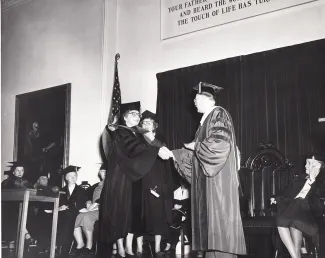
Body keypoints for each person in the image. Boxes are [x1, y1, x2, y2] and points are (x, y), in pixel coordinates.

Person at [170, 82, 246, 258]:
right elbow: (196, 157)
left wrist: (195, 146)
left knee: (220, 230)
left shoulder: (218, 114)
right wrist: (175, 155)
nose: (194, 103)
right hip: (210, 183)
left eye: (196, 99)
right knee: (213, 233)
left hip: (219, 183)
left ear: (206, 99)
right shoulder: (204, 122)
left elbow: (219, 145)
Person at [99, 101, 171, 258]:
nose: (138, 116)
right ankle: (120, 247)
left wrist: (157, 148)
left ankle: (129, 247)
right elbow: (133, 148)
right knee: (119, 213)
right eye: (134, 114)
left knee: (132, 214)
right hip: (120, 178)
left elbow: (143, 149)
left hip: (133, 178)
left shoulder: (137, 133)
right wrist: (156, 151)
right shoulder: (119, 132)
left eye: (138, 114)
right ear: (125, 117)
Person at [135, 110, 174, 257]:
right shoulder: (137, 140)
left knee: (157, 215)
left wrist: (158, 184)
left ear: (155, 125)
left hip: (156, 182)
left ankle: (157, 248)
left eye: (149, 122)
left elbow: (164, 164)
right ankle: (139, 248)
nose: (146, 124)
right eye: (144, 122)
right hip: (139, 182)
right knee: (139, 215)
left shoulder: (160, 141)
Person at [270, 155, 325, 258]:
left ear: (317, 166)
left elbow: (317, 207)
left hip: (310, 217)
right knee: (292, 221)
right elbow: (286, 192)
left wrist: (312, 182)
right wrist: (275, 197)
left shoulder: (321, 183)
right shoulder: (300, 178)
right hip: (294, 213)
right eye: (306, 163)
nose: (305, 166)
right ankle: (296, 256)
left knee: (284, 219)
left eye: (309, 163)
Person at [72, 165, 106, 255]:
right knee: (77, 215)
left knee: (87, 217)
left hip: (106, 210)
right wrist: (88, 202)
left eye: (107, 171)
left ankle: (89, 244)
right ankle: (80, 243)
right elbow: (87, 195)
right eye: (103, 171)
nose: (105, 173)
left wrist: (96, 203)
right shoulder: (96, 185)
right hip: (93, 210)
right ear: (99, 173)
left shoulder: (113, 185)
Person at [1, 162, 34, 248]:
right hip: (9, 208)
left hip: (24, 206)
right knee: (14, 214)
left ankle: (26, 236)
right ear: (13, 172)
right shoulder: (6, 182)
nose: (20, 172)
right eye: (17, 170)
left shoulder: (27, 182)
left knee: (30, 213)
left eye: (22, 170)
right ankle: (26, 234)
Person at [56, 165, 87, 255]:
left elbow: (81, 204)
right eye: (70, 176)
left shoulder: (81, 190)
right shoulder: (61, 190)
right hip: (63, 213)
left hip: (75, 212)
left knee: (69, 216)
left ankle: (65, 248)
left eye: (74, 176)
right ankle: (59, 246)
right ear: (66, 178)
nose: (73, 178)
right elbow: (59, 203)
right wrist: (60, 207)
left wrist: (70, 207)